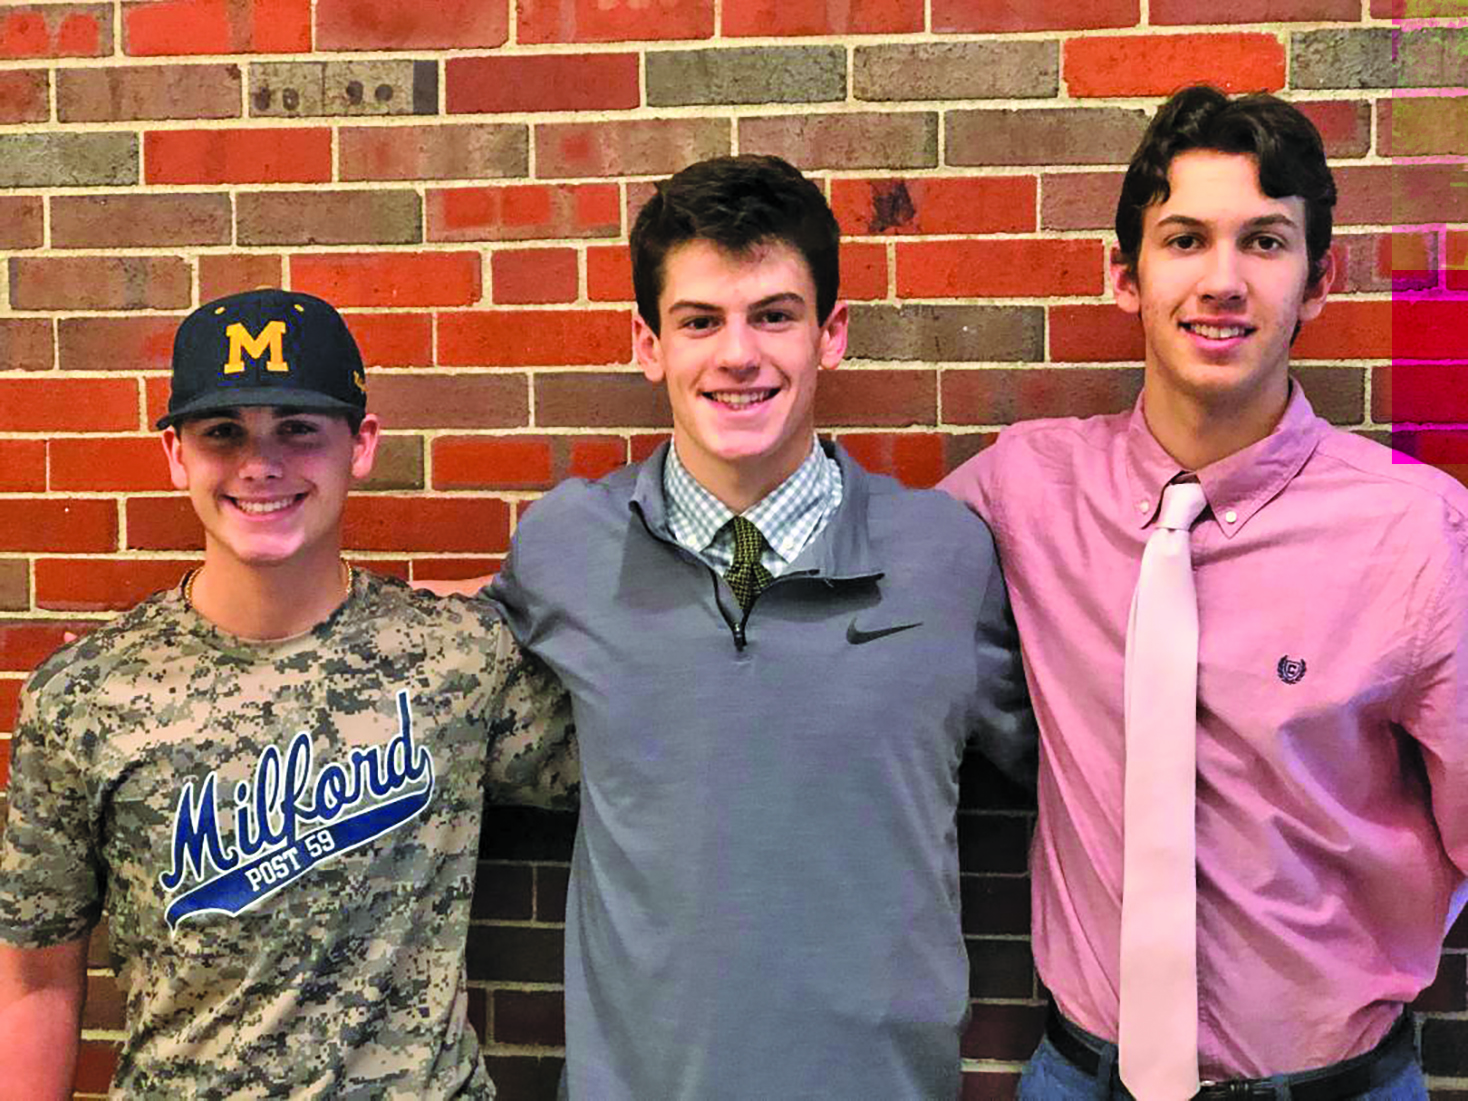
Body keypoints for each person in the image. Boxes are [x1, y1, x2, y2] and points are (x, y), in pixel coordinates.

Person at [460, 154, 1035, 1097]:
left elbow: (1084, 768)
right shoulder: (567, 545)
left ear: (830, 335)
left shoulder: (947, 557)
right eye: (699, 321)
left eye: (773, 314)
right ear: (648, 345)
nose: (738, 354)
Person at [941, 85, 1466, 1100]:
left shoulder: (1417, 532)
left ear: (1319, 281)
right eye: (1183, 239)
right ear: (1123, 275)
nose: (1220, 281)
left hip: (1330, 1084)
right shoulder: (1023, 489)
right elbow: (844, 559)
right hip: (1080, 1074)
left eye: (1263, 244)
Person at [0, 289, 577, 1099]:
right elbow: (35, 980)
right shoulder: (87, 695)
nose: (260, 463)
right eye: (223, 431)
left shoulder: (459, 657)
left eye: (298, 429)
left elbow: (646, 763)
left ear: (361, 444)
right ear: (175, 452)